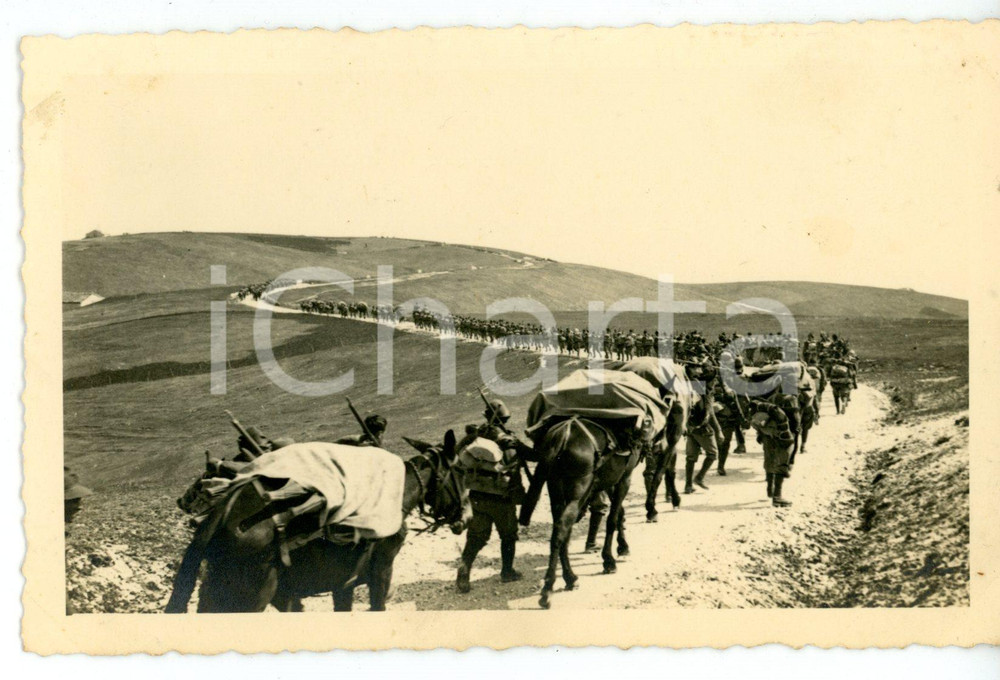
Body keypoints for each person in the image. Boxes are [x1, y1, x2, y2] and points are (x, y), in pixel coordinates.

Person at [455, 399, 534, 593]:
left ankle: (464, 575)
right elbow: (533, 456)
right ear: (505, 418)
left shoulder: (475, 438)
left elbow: (457, 454)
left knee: (475, 537)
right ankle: (507, 572)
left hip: (477, 496)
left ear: (486, 416)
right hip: (502, 498)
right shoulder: (509, 439)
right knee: (508, 536)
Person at [748, 400, 794, 507]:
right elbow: (794, 422)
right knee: (782, 465)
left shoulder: (758, 413)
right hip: (782, 437)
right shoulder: (779, 411)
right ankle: (777, 497)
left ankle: (770, 489)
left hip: (767, 436)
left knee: (769, 461)